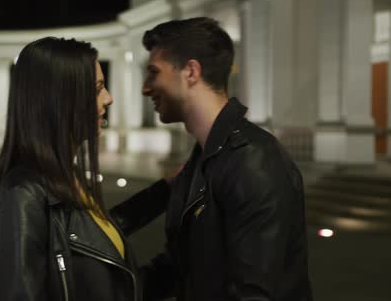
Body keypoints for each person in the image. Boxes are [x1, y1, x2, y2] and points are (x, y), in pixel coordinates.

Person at [118, 17, 313, 300]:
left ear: (190, 72)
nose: (146, 88)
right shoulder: (205, 157)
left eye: (153, 72)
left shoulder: (252, 160)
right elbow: (181, 267)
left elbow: (254, 293)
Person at [0, 37, 170, 301]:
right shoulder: (22, 196)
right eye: (97, 89)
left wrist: (164, 191)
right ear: (60, 100)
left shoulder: (64, 175)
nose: (109, 98)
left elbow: (92, 236)